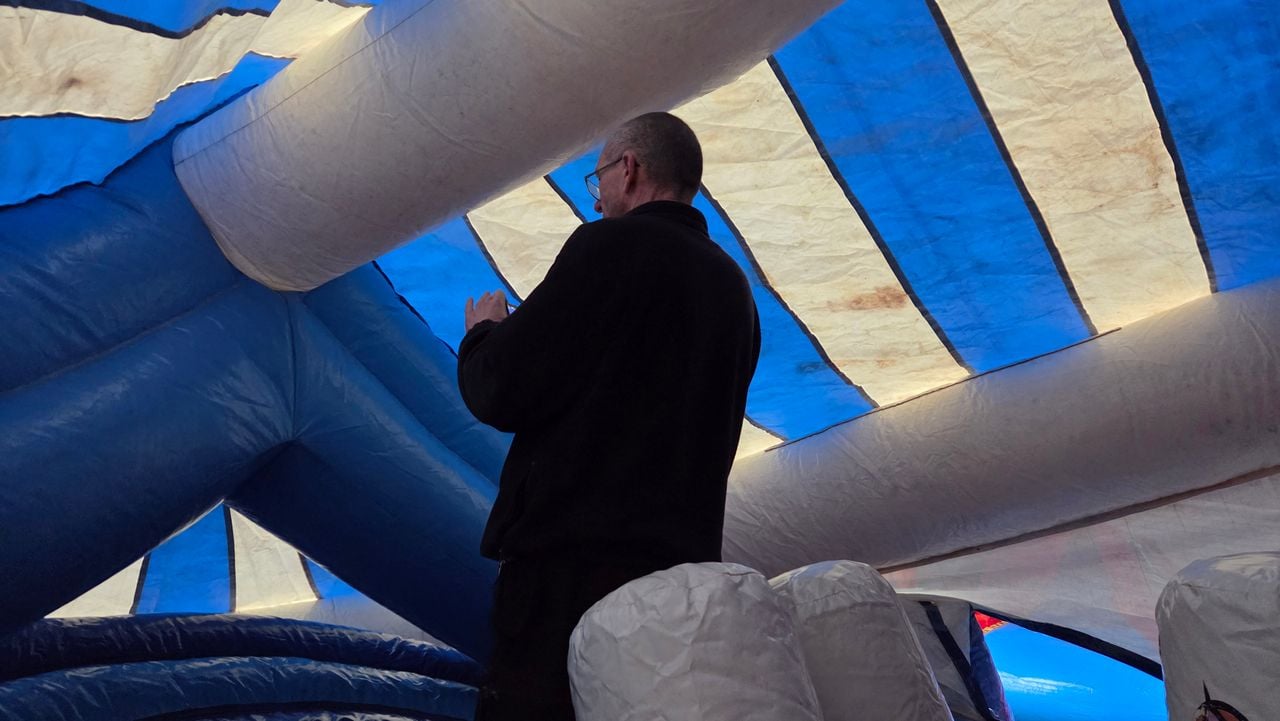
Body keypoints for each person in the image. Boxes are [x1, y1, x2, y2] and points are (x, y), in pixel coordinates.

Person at [457, 111, 761, 720]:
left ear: (629, 169)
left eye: (597, 182)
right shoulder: (736, 291)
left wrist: (484, 334)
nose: (596, 203)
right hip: (676, 590)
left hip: (568, 579)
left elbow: (503, 389)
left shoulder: (609, 247)